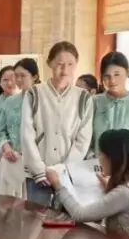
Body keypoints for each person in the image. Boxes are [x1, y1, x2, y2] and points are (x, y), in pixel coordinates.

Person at [46, 128, 129, 239]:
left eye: (101, 154)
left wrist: (57, 184)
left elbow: (79, 214)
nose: (99, 159)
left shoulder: (124, 193)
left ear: (113, 159)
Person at [21, 41, 94, 206]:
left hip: (68, 174)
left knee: (67, 220)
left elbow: (83, 140)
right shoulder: (34, 93)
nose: (65, 70)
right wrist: (39, 170)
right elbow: (27, 134)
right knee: (36, 218)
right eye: (60, 64)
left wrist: (62, 170)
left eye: (70, 64)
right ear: (50, 63)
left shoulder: (84, 98)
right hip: (37, 175)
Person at [92, 51, 129, 158]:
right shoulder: (94, 102)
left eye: (117, 74)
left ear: (127, 72)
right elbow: (88, 140)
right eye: (107, 76)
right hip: (96, 166)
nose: (112, 80)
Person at [0, 59, 38, 197]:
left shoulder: (44, 101)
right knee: (8, 205)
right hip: (13, 161)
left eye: (22, 76)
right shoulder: (10, 102)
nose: (18, 80)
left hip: (36, 163)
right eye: (16, 76)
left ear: (34, 77)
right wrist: (6, 148)